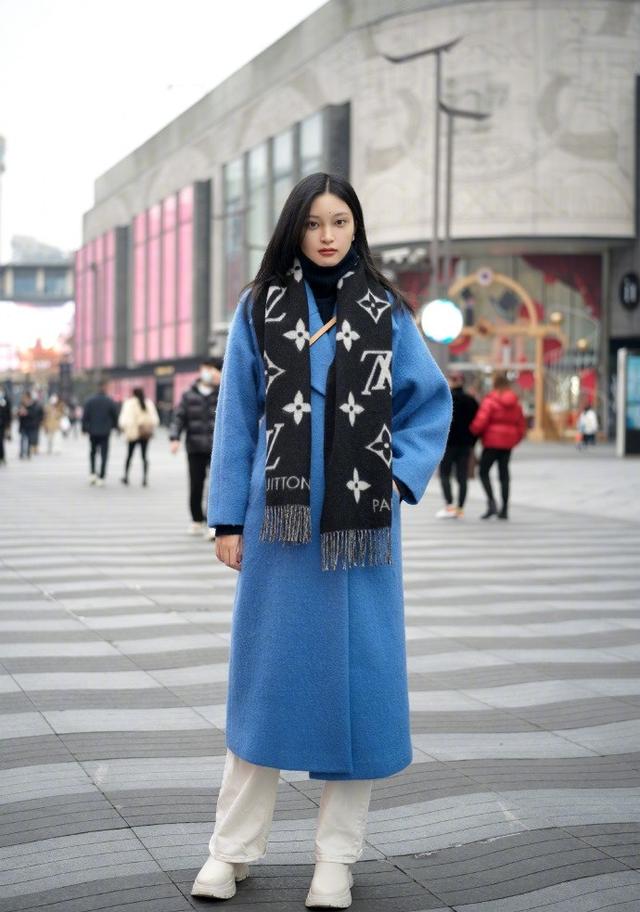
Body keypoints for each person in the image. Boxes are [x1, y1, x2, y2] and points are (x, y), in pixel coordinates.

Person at [191, 172, 452, 907]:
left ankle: (336, 859)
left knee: (356, 694)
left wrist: (394, 479)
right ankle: (231, 849)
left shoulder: (387, 309)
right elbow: (239, 417)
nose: (329, 235)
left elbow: (429, 402)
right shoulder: (259, 308)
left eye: (340, 221)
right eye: (314, 222)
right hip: (280, 522)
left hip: (361, 530)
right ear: (294, 230)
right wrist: (228, 520)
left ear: (356, 228)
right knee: (265, 686)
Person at [169, 358, 222, 539]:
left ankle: (212, 523)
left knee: (215, 485)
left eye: (212, 369)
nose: (209, 372)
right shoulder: (188, 394)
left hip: (216, 447)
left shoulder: (222, 392)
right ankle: (196, 519)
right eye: (206, 369)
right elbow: (179, 418)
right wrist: (174, 438)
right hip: (195, 447)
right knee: (196, 485)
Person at [470, 372, 526, 520]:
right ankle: (505, 509)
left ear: (495, 384)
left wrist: (473, 432)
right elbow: (521, 425)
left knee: (483, 472)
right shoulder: (516, 402)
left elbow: (480, 422)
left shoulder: (490, 401)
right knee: (504, 475)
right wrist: (514, 440)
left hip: (491, 443)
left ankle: (492, 503)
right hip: (507, 445)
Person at [436, 370, 478, 519]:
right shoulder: (471, 401)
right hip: (465, 444)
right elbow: (477, 423)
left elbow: (438, 422)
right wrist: (473, 441)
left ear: (451, 382)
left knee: (445, 475)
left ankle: (449, 505)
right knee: (462, 477)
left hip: (447, 443)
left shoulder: (446, 400)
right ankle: (460, 508)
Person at [118, 387, 160, 486]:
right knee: (144, 456)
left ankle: (126, 476)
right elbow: (155, 419)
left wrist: (123, 429)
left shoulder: (129, 403)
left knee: (129, 455)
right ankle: (145, 478)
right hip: (144, 433)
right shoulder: (148, 403)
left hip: (132, 433)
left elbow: (123, 420)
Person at [81, 380, 119, 486]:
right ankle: (101, 476)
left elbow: (85, 416)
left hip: (93, 431)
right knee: (104, 454)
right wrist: (116, 428)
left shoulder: (90, 401)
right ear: (105, 388)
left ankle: (92, 473)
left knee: (93, 452)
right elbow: (115, 416)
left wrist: (84, 429)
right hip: (105, 432)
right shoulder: (109, 401)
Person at [17, 391, 38, 459]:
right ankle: (22, 453)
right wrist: (20, 413)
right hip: (23, 425)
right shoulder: (22, 404)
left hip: (30, 425)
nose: (24, 399)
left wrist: (27, 412)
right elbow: (18, 414)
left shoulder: (33, 405)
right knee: (22, 439)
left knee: (29, 440)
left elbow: (35, 414)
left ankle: (28, 452)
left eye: (25, 397)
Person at [0, 387, 11, 465]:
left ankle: (2, 457)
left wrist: (8, 424)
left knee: (1, 441)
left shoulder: (6, 399)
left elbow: (8, 412)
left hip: (2, 424)